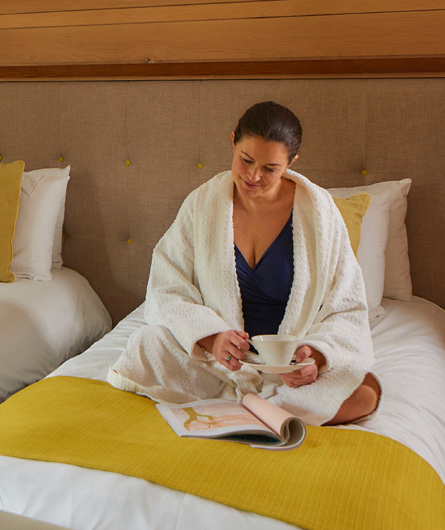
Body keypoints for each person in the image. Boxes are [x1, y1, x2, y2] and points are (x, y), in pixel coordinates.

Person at [107, 101, 381, 426]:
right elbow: (167, 288)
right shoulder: (202, 204)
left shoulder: (321, 214)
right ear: (233, 141)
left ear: (291, 163)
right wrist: (211, 338)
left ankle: (242, 406)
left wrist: (315, 357)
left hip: (288, 369)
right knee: (147, 344)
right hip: (217, 363)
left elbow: (346, 307)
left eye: (270, 169)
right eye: (246, 160)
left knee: (366, 391)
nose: (253, 176)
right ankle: (267, 409)